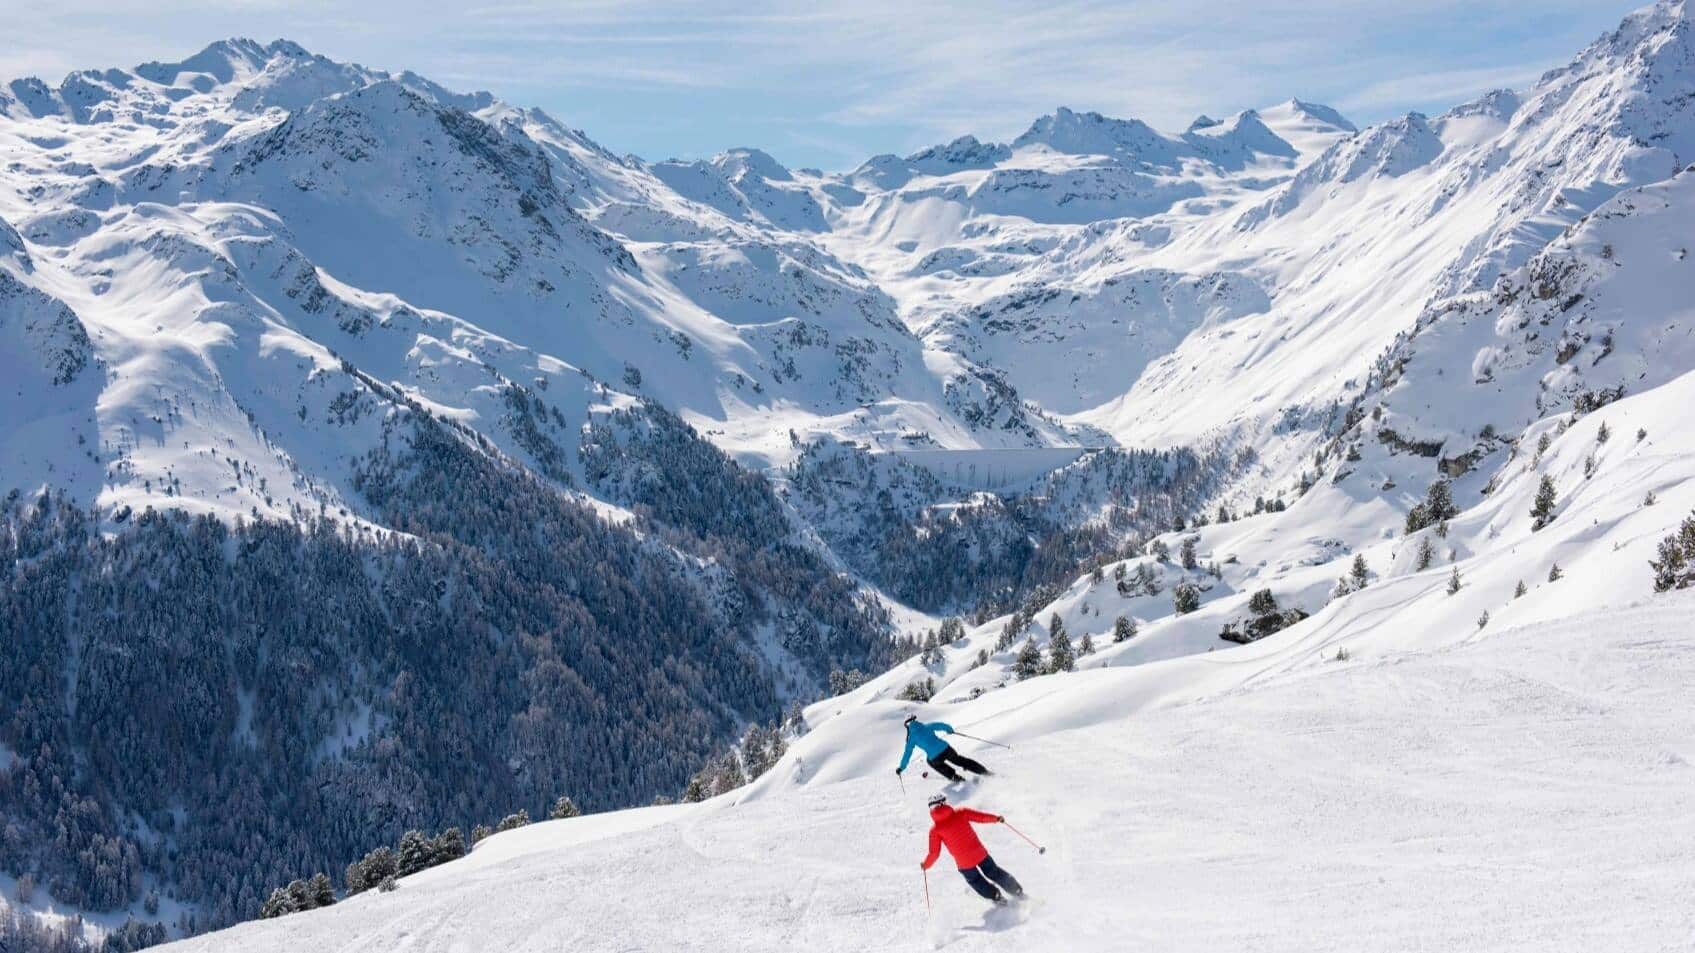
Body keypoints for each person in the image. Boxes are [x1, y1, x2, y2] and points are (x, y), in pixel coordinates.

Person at [920, 794, 1027, 904]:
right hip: (979, 853)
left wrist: (926, 865)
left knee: (975, 880)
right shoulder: (961, 812)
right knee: (994, 872)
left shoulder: (935, 830)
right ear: (943, 803)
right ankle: (1016, 890)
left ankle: (995, 896)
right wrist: (996, 818)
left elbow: (934, 853)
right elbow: (981, 817)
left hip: (964, 863)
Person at [895, 714, 991, 782]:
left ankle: (954, 777)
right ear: (915, 720)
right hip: (946, 748)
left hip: (934, 757)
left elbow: (907, 753)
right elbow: (941, 725)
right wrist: (949, 730)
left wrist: (901, 767)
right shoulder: (927, 726)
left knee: (930, 761)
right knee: (959, 760)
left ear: (907, 726)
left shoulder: (911, 738)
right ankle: (983, 771)